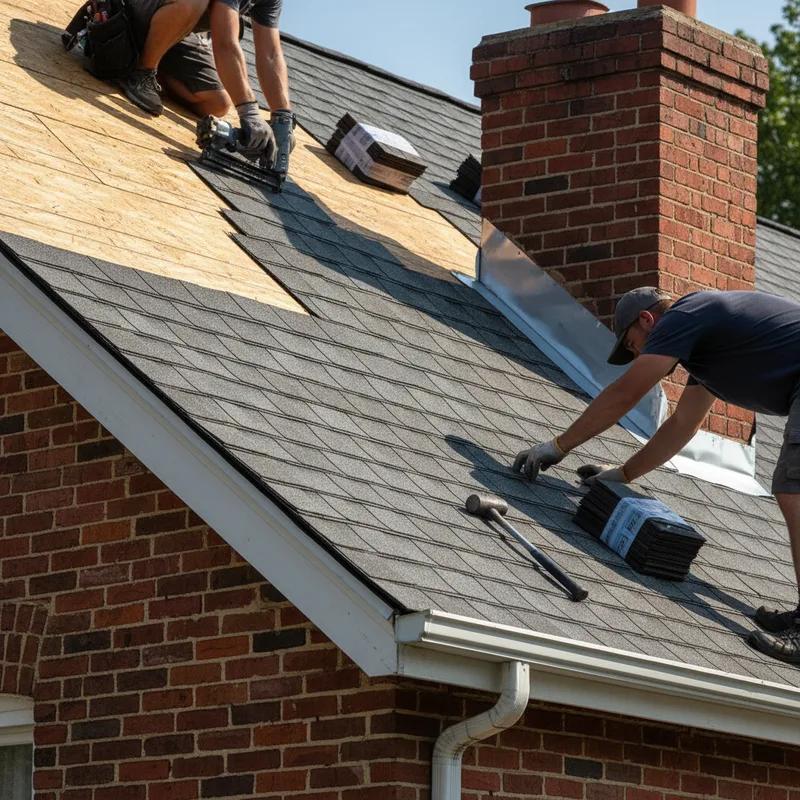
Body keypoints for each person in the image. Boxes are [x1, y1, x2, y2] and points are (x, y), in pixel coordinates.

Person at [512, 286, 800, 664]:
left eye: (634, 345)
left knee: (794, 489)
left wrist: (557, 447)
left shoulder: (685, 315)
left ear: (647, 320)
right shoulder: (709, 345)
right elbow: (683, 423)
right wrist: (623, 475)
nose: (639, 356)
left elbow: (626, 393)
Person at [122, 0, 293, 162]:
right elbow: (225, 43)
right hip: (133, 9)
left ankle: (146, 61)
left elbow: (270, 54)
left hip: (173, 27)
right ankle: (143, 72)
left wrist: (283, 119)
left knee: (217, 103)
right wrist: (249, 111)